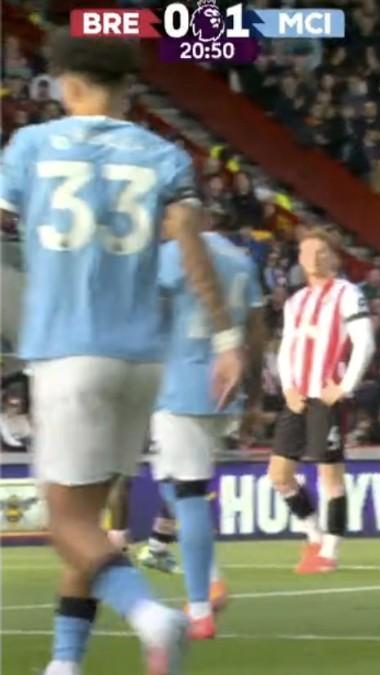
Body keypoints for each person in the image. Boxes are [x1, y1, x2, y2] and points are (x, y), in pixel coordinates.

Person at [1, 31, 243, 675]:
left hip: (67, 352)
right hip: (143, 363)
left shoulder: (31, 146)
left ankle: (148, 615)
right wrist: (225, 339)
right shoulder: (164, 156)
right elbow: (191, 247)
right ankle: (65, 663)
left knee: (65, 522)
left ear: (67, 84)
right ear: (127, 89)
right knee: (88, 520)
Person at [150, 220, 266, 639]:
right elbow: (256, 330)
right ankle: (210, 576)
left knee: (188, 491)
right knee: (168, 479)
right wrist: (253, 397)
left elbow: (147, 311)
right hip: (225, 389)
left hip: (182, 384)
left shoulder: (172, 254)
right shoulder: (241, 260)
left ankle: (200, 606)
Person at [269, 228, 375, 574]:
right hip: (297, 396)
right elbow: (286, 349)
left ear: (333, 256)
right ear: (299, 259)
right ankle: (313, 534)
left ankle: (330, 550)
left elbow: (364, 342)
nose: (313, 259)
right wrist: (287, 388)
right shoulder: (295, 301)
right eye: (307, 253)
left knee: (329, 475)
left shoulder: (347, 293)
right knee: (280, 475)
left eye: (320, 252)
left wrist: (344, 386)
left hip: (326, 395)